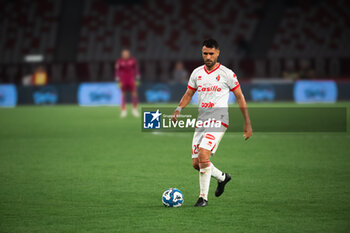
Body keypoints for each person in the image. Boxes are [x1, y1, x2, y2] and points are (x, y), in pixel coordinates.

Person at [172, 39, 252, 207]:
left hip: (219, 119)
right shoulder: (196, 73)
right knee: (196, 164)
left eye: (211, 53)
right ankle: (223, 178)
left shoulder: (227, 74)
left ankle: (203, 198)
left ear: (217, 53)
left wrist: (247, 123)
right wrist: (178, 109)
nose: (208, 57)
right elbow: (188, 94)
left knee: (203, 156)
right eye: (205, 54)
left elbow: (239, 97)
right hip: (201, 121)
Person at [115, 49, 140, 117]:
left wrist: (137, 76)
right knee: (123, 94)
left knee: (134, 93)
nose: (125, 55)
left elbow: (136, 68)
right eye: (124, 54)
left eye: (126, 53)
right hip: (123, 79)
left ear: (129, 54)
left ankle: (134, 110)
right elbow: (117, 70)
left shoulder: (133, 60)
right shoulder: (119, 61)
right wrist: (117, 78)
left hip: (131, 79)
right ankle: (123, 110)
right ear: (122, 55)